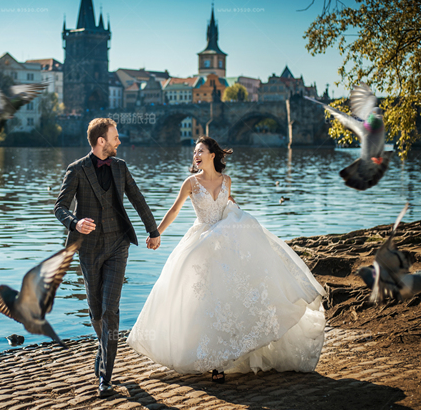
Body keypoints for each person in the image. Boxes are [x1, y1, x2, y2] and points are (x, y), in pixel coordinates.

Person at [127, 136, 325, 382]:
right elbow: (175, 210)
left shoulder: (226, 181)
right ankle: (211, 359)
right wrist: (156, 233)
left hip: (224, 247)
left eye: (200, 151)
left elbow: (230, 206)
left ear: (212, 154)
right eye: (194, 152)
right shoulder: (190, 182)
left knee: (227, 300)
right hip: (200, 244)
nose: (196, 155)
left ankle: (224, 357)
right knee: (203, 300)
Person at [54, 118, 160, 397]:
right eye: (115, 137)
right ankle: (103, 347)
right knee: (95, 308)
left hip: (117, 245)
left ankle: (106, 376)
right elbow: (60, 207)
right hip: (88, 249)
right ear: (101, 141)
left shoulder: (121, 168)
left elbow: (138, 199)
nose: (119, 142)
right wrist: (75, 223)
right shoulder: (76, 170)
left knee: (110, 311)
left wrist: (153, 230)